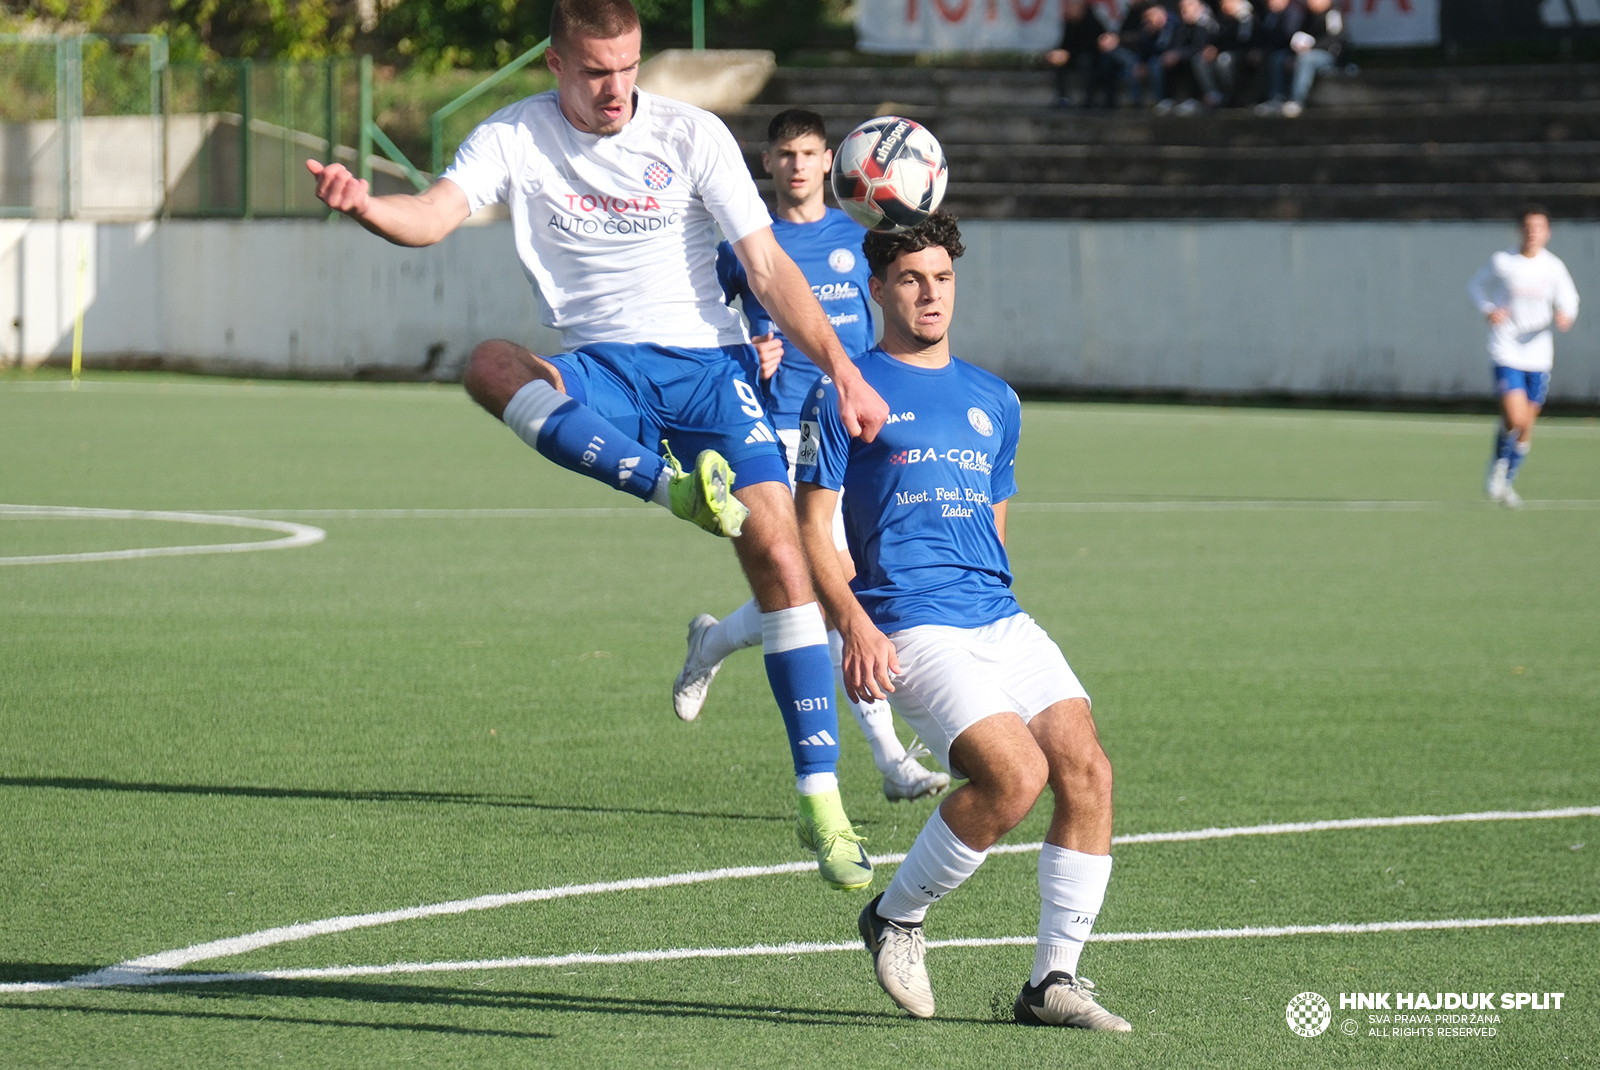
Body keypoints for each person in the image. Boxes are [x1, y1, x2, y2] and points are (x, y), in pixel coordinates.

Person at [304, 0, 891, 891]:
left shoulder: (692, 134)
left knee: (779, 552)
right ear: (555, 62)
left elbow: (768, 269)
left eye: (626, 68)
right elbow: (432, 215)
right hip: (601, 365)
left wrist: (844, 369)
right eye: (594, 71)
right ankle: (671, 490)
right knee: (491, 365)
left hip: (706, 366)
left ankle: (824, 804)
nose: (614, 88)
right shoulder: (513, 136)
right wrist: (365, 206)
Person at [794, 212, 1130, 1031]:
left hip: (1000, 617)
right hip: (910, 622)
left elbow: (995, 514)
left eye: (941, 277)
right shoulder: (846, 389)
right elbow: (813, 523)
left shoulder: (995, 397)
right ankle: (895, 917)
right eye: (910, 279)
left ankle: (1053, 982)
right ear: (878, 289)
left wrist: (1003, 607)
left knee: (1087, 770)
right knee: (1014, 777)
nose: (929, 293)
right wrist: (854, 624)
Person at [675, 108, 950, 803]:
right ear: (767, 164)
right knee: (833, 590)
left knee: (808, 589)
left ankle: (709, 644)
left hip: (857, 426)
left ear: (832, 162)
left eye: (808, 153)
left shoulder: (863, 237)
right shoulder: (745, 247)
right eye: (784, 154)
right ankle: (891, 761)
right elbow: (696, 325)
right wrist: (746, 354)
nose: (797, 165)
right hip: (780, 434)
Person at [1468, 207, 1579, 508]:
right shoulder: (1504, 261)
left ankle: (1507, 481)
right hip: (1507, 349)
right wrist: (1489, 309)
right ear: (1520, 230)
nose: (1533, 232)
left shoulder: (1554, 267)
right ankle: (1498, 468)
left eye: (1539, 227)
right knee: (1515, 418)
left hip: (1539, 355)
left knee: (1526, 424)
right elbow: (1477, 286)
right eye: (1528, 227)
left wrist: (1566, 314)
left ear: (1548, 233)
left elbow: (1569, 298)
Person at [1044, 0, 1120, 108]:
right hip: (1074, 55)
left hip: (1092, 56)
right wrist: (1059, 53)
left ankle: (1088, 99)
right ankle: (1062, 97)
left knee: (1086, 62)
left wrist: (1069, 55)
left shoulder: (1092, 22)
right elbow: (1065, 43)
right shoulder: (1069, 23)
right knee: (1058, 66)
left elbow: (1091, 45)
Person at [1279, 0, 1346, 118]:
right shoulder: (1308, 16)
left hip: (1328, 56)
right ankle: (1276, 96)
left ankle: (1297, 99)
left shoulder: (1332, 14)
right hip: (1306, 53)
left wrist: (1312, 46)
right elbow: (1299, 34)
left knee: (1306, 59)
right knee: (1280, 58)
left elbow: (1336, 39)